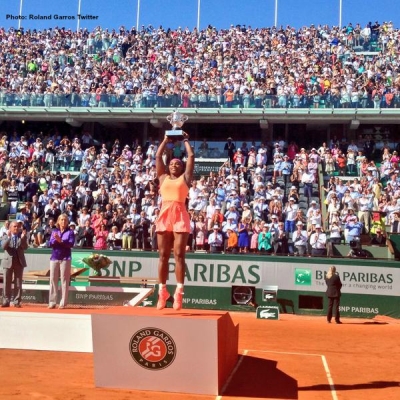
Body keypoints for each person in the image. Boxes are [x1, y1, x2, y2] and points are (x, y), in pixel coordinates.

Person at [155, 132, 194, 311]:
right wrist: (165, 139)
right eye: (171, 163)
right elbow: (157, 156)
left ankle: (179, 292)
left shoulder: (185, 178)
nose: (173, 165)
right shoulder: (162, 177)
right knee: (163, 255)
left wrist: (185, 139)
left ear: (181, 167)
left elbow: (191, 156)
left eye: (177, 164)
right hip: (164, 214)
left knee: (179, 254)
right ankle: (162, 291)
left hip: (180, 215)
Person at [48, 214, 75, 309]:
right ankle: (52, 302)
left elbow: (71, 244)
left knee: (64, 280)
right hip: (54, 257)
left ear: (67, 222)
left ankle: (63, 302)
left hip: (65, 258)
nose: (63, 222)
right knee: (53, 279)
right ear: (58, 221)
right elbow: (50, 243)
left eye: (65, 220)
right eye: (62, 220)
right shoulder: (54, 231)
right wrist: (56, 240)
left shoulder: (70, 232)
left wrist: (61, 241)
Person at [1, 221, 28, 307]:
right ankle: (6, 301)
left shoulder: (21, 236)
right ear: (10, 228)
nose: (16, 228)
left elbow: (25, 247)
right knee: (6, 282)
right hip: (8, 261)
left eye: (18, 227)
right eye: (15, 227)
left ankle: (17, 301)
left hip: (19, 261)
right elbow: (4, 247)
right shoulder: (5, 236)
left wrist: (23, 238)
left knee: (18, 282)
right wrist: (9, 237)